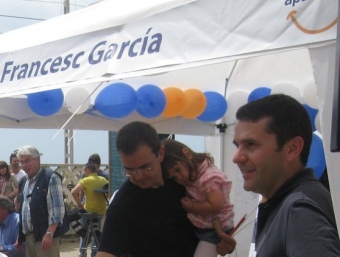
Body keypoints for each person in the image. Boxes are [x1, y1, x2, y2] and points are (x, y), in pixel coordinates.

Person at [96, 121, 236, 257]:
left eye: (145, 167)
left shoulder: (182, 181)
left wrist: (225, 244)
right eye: (130, 170)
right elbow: (106, 252)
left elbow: (211, 224)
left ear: (161, 153)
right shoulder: (123, 205)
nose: (138, 176)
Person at [232, 94, 340, 256]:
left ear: (293, 148)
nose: (236, 158)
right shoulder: (293, 202)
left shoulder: (299, 209)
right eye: (237, 145)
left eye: (251, 144)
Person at [161, 139, 234, 257]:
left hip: (216, 229)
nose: (179, 178)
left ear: (188, 154)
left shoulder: (208, 178)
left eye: (178, 170)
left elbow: (215, 205)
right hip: (205, 228)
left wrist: (192, 207)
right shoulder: (193, 174)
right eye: (174, 178)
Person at [16, 145, 69, 257]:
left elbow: (57, 209)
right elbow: (22, 211)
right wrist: (20, 237)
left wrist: (49, 233)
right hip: (29, 237)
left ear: (38, 160)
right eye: (21, 162)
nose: (24, 165)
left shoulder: (50, 177)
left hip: (46, 237)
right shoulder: (23, 182)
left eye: (27, 161)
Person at [70, 162, 108, 257]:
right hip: (101, 211)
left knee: (69, 216)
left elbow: (73, 191)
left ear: (87, 170)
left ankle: (83, 245)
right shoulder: (103, 179)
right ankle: (95, 252)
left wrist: (79, 204)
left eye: (84, 170)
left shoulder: (86, 180)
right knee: (96, 229)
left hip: (88, 211)